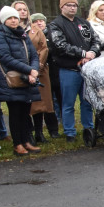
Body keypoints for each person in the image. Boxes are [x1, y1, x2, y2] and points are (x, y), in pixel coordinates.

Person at [48, 0, 100, 142]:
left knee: (87, 102)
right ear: (61, 7)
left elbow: (95, 40)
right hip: (68, 70)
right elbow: (60, 45)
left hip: (87, 69)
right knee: (68, 103)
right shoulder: (56, 24)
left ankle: (88, 128)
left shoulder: (83, 23)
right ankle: (70, 132)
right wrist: (82, 53)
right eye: (68, 5)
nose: (72, 8)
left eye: (74, 5)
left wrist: (92, 53)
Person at [0, 6, 41, 156]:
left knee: (25, 112)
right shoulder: (0, 36)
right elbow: (6, 58)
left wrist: (33, 72)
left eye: (15, 18)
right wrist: (29, 70)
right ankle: (18, 144)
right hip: (11, 81)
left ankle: (27, 141)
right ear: (4, 20)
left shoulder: (23, 35)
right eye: (10, 18)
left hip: (27, 79)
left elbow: (33, 55)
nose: (13, 20)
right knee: (15, 112)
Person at [27, 13, 58, 143]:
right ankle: (30, 133)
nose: (39, 23)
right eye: (36, 21)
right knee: (31, 104)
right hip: (25, 70)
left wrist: (38, 64)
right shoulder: (24, 32)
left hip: (43, 69)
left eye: (41, 21)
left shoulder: (45, 33)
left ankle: (51, 130)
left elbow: (44, 49)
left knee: (47, 102)